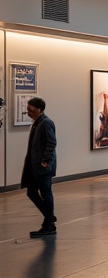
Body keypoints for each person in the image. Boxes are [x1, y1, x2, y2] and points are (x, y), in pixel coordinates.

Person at [22, 97, 57, 237]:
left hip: (43, 165)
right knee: (31, 191)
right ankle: (49, 218)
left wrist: (45, 160)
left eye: (30, 109)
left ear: (38, 109)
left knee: (46, 193)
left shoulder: (46, 122)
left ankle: (49, 223)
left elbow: (52, 142)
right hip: (34, 165)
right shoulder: (38, 122)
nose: (28, 112)